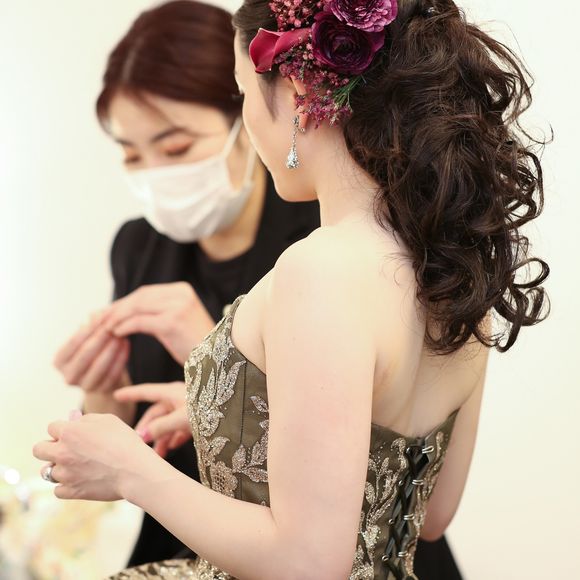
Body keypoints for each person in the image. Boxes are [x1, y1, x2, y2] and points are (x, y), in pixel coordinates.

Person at [35, 0, 550, 579]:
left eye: (244, 92)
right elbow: (430, 515)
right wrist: (216, 415)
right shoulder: (454, 263)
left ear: (299, 94)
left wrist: (131, 470)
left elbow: (308, 563)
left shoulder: (319, 269)